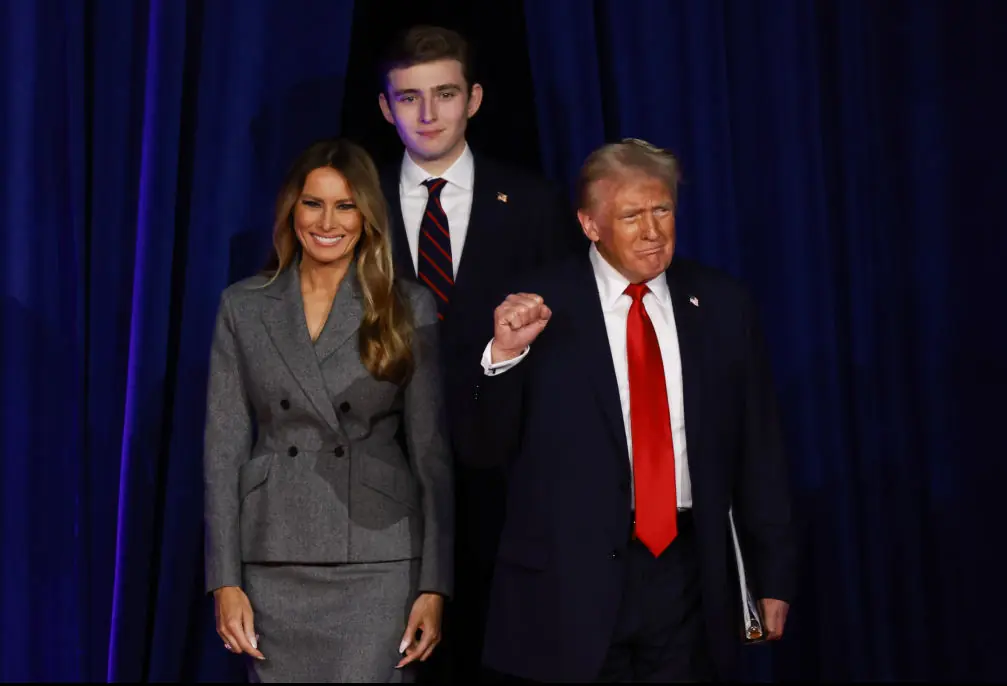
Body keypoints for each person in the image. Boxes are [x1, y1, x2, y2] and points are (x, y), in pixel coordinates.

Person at [456, 138, 799, 682]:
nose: (653, 230)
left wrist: (773, 574)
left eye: (662, 210)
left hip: (689, 577)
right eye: (631, 215)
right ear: (590, 224)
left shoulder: (722, 304)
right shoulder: (533, 306)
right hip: (571, 585)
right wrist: (503, 358)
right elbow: (482, 448)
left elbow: (759, 450)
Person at [375, 24, 585, 681]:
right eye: (409, 98)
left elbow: (564, 346)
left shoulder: (535, 203)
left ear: (475, 98)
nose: (428, 114)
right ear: (386, 108)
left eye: (444, 94)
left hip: (504, 483)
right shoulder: (355, 207)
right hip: (383, 489)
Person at [202, 138, 454, 683]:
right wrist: (224, 579)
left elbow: (432, 454)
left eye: (345, 206)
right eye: (313, 203)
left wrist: (434, 585)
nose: (328, 221)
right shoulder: (243, 306)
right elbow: (222, 452)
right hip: (273, 556)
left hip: (379, 560)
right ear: (291, 208)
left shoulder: (406, 305)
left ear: (366, 217)